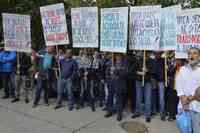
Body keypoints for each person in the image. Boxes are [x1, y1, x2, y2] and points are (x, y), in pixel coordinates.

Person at [176, 47, 200, 133]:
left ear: (199, 56)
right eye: (189, 53)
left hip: (196, 108)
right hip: (183, 106)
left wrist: (190, 98)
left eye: (194, 53)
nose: (191, 56)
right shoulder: (182, 69)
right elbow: (178, 85)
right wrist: (182, 98)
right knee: (185, 130)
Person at [132, 52, 156, 123]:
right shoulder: (139, 60)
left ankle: (147, 115)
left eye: (147, 53)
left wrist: (147, 70)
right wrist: (139, 72)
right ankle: (137, 112)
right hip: (139, 81)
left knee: (148, 98)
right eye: (145, 53)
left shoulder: (152, 61)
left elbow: (154, 71)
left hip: (148, 82)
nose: (146, 54)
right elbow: (132, 70)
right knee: (138, 97)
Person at [104, 54, 128, 121]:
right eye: (116, 55)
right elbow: (107, 72)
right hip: (111, 83)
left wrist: (116, 71)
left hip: (120, 84)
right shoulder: (111, 63)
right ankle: (109, 111)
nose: (118, 57)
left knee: (119, 99)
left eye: (119, 55)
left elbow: (125, 73)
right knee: (110, 97)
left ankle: (119, 114)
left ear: (121, 56)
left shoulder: (124, 63)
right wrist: (108, 79)